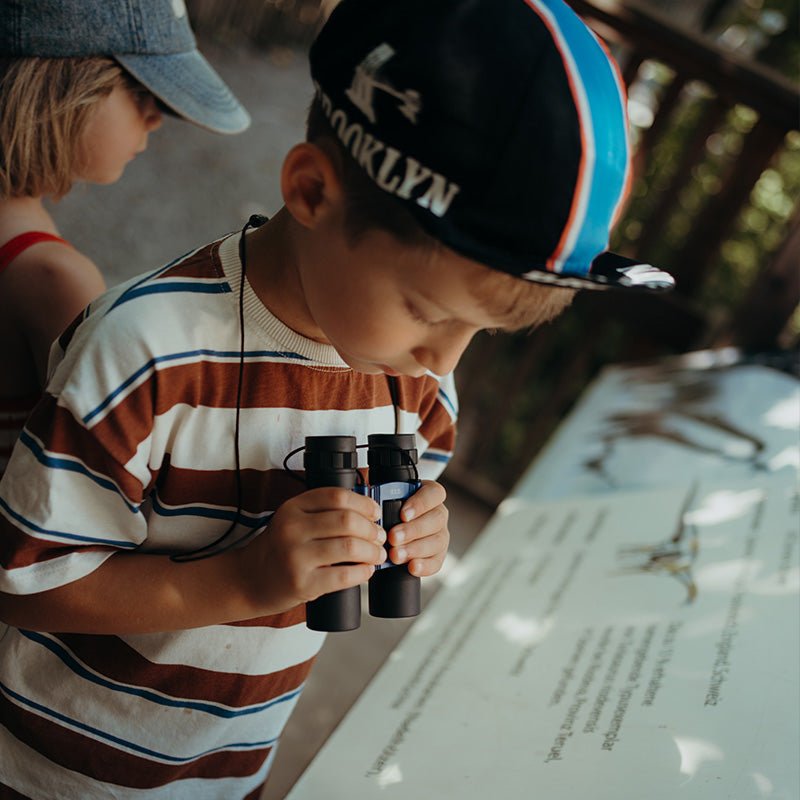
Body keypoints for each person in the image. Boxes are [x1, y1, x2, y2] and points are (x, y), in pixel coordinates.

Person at [0, 0, 675, 798]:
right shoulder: (143, 351)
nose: (442, 359)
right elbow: (26, 580)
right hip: (57, 775)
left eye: (479, 331)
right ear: (312, 191)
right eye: (428, 311)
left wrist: (419, 531)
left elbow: (408, 497)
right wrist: (241, 584)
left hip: (232, 771)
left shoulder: (417, 381)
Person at [0, 0, 249, 477]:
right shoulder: (52, 278)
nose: (156, 117)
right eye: (140, 91)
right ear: (60, 86)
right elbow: (104, 482)